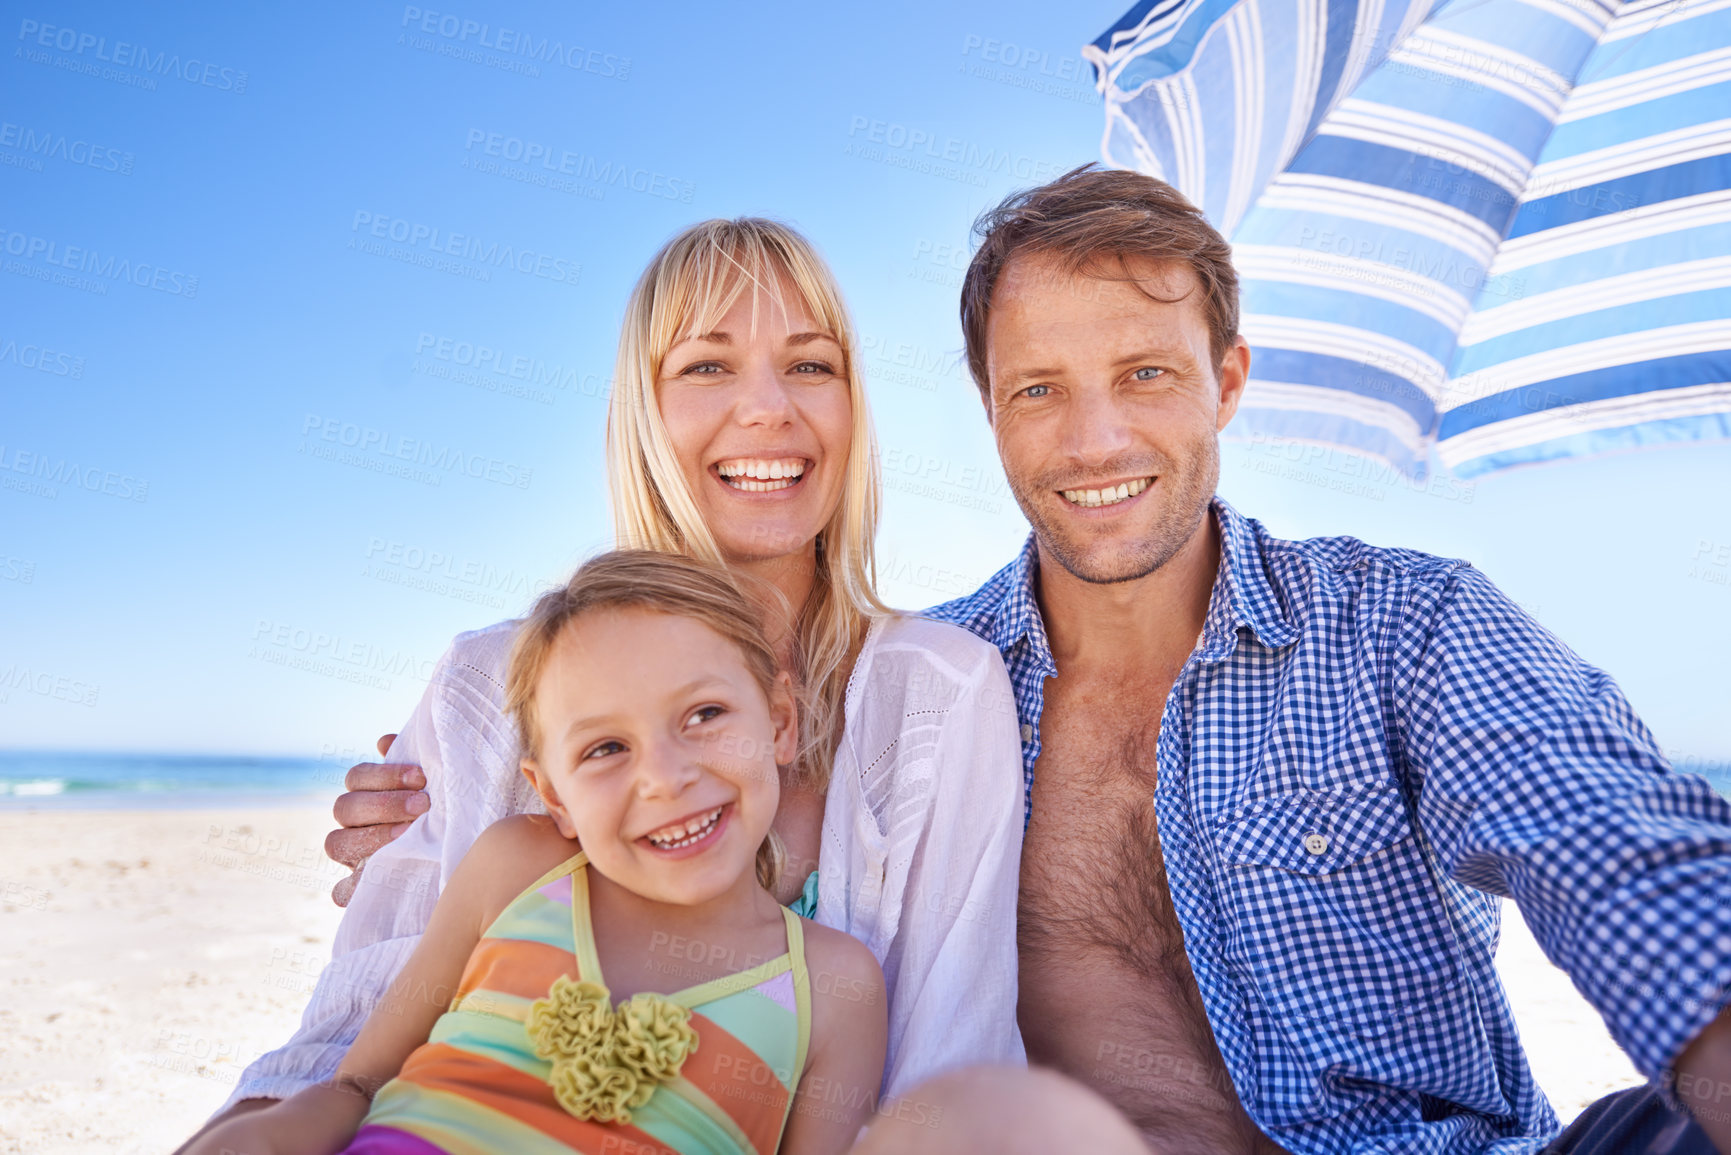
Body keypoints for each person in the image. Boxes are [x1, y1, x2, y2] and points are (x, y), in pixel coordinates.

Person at [898, 164, 1731, 1154]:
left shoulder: (1408, 624)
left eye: (1145, 374)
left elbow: (1615, 849)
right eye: (1039, 389)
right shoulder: (917, 688)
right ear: (992, 408)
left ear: (1229, 383)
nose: (1097, 439)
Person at [183, 218, 1025, 1149]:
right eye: (707, 366)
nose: (767, 409)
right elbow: (345, 1047)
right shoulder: (485, 685)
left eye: (811, 365)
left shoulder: (943, 693)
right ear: (643, 411)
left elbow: (953, 1071)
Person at [188, 550, 888, 1155]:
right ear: (550, 793)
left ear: (779, 723)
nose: (664, 777)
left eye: (704, 715)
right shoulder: (519, 868)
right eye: (606, 747)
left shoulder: (831, 985)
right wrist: (264, 1136)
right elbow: (357, 1082)